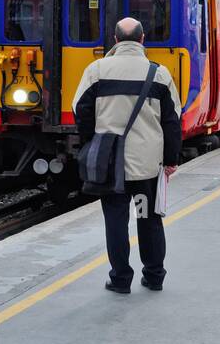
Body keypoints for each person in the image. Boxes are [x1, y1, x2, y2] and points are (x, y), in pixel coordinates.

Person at [73, 17, 182, 294]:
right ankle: (154, 275)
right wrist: (171, 160)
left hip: (111, 166)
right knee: (148, 218)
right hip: (146, 167)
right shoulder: (158, 74)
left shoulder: (96, 71)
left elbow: (79, 109)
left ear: (115, 39)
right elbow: (172, 120)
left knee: (116, 220)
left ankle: (120, 279)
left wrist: (92, 141)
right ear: (143, 39)